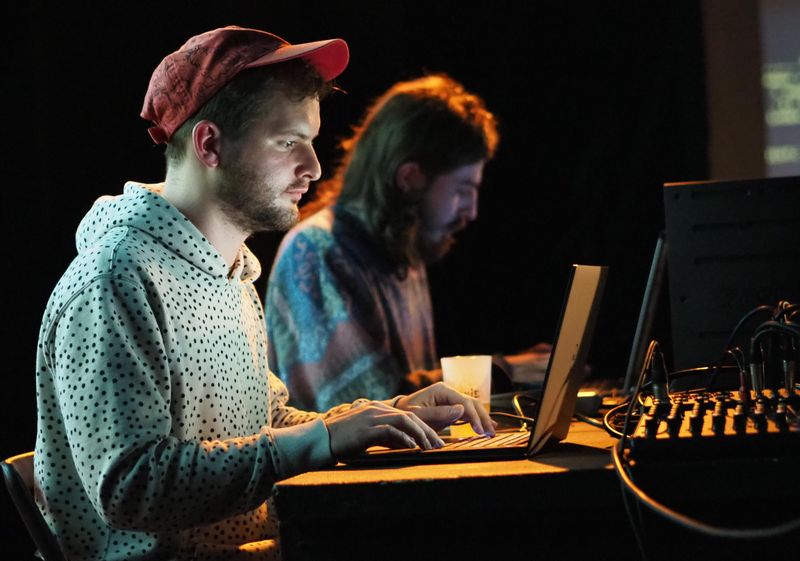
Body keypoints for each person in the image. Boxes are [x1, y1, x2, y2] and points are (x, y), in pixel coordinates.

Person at [33, 26, 494, 561]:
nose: (313, 168)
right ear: (210, 145)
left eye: (311, 141)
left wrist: (383, 416)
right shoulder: (115, 279)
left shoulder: (232, 272)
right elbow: (130, 488)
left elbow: (266, 424)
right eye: (288, 142)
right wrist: (324, 440)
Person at [265, 75, 551, 412]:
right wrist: (504, 371)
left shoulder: (402, 250)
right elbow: (369, 407)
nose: (471, 211)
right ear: (410, 178)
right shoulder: (316, 251)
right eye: (462, 189)